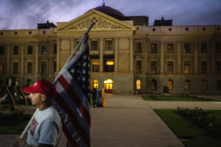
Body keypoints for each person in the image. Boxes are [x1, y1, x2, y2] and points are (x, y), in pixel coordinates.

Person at [12, 80, 62, 147]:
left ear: (43, 97)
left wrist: (23, 145)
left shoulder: (49, 120)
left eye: (33, 93)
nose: (29, 96)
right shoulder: (40, 110)